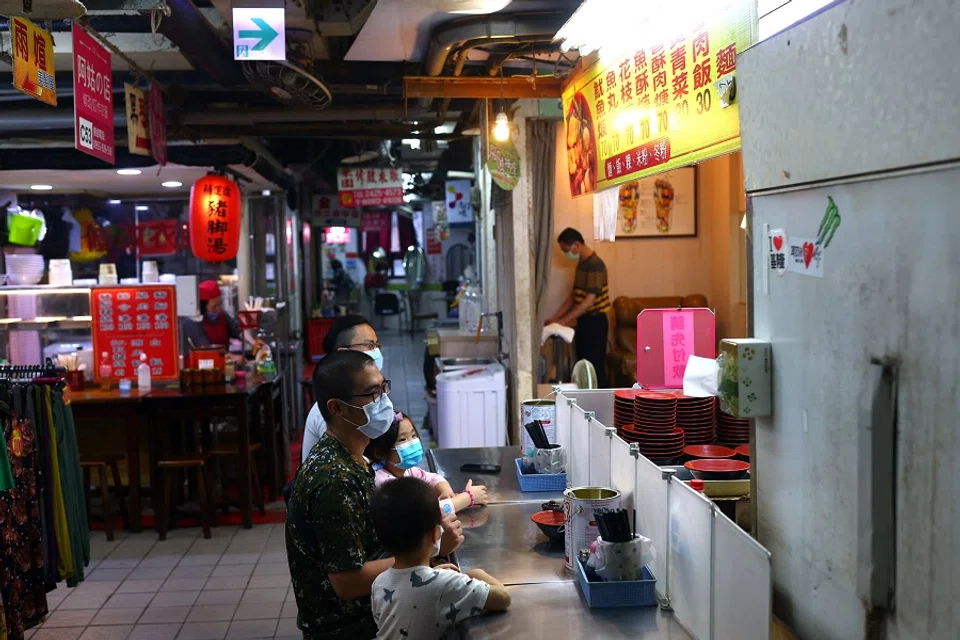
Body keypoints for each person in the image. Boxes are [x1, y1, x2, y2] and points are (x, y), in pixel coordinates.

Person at [286, 350, 464, 640]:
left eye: (384, 388)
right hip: (351, 628)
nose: (384, 401)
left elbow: (370, 545)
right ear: (338, 408)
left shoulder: (355, 457)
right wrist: (432, 550)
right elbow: (347, 582)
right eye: (371, 394)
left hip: (381, 606)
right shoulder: (335, 478)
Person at [370, 477, 511, 640]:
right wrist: (475, 573)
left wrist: (431, 573)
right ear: (435, 534)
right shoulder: (447, 584)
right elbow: (503, 598)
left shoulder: (379, 584)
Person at [365, 413, 489, 514]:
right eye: (403, 439)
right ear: (379, 452)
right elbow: (426, 514)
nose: (412, 443)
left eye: (413, 435)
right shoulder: (384, 483)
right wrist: (468, 498)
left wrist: (445, 491)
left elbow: (432, 478)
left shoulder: (406, 471)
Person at [301, 314, 384, 463]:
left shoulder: (360, 396)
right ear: (343, 353)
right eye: (369, 345)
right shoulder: (329, 413)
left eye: (377, 345)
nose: (376, 352)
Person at [544, 228, 611, 388]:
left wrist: (564, 321)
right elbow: (574, 296)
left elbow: (588, 301)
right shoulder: (582, 263)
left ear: (576, 245)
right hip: (584, 321)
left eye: (566, 250)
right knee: (583, 366)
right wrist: (557, 318)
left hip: (595, 322)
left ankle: (601, 406)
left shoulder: (595, 264)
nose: (567, 254)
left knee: (594, 367)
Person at [181, 280, 248, 355]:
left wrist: (254, 343)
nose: (218, 309)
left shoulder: (222, 314)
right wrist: (232, 357)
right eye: (214, 307)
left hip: (223, 362)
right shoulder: (192, 321)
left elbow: (238, 330)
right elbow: (207, 348)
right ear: (202, 306)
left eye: (220, 304)